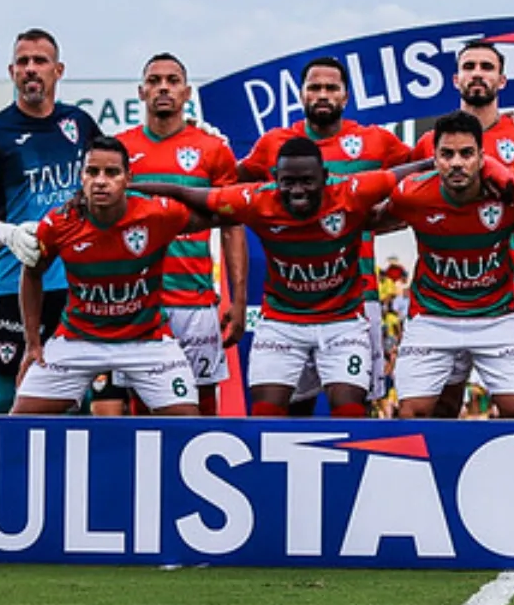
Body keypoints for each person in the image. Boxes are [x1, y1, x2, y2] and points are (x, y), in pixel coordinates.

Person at [152, 137, 415, 416]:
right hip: (282, 323)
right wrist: (131, 191)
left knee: (350, 412)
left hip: (342, 322)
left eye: (307, 181)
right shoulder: (257, 199)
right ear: (275, 177)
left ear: (325, 177)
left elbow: (405, 173)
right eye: (288, 182)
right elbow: (187, 193)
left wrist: (441, 165)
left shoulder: (351, 190)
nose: (298, 190)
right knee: (265, 414)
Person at [241, 56, 414, 414]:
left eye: (331, 88)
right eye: (314, 87)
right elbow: (230, 185)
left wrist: (379, 223)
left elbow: (423, 186)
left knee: (357, 406)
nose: (323, 94)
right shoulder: (273, 144)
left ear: (346, 96)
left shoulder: (376, 142)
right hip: (291, 305)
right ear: (301, 94)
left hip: (358, 299)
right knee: (293, 406)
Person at [412, 39, 514, 418]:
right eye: (470, 66)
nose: (478, 74)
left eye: (487, 67)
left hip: (509, 298)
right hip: (441, 302)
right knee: (442, 405)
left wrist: (511, 232)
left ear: (502, 80)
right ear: (456, 78)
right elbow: (410, 202)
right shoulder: (430, 142)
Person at [9, 136, 204, 416]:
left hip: (146, 339)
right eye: (92, 172)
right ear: (82, 177)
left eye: (112, 173)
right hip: (78, 339)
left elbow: (217, 213)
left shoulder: (156, 214)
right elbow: (31, 273)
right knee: (20, 419)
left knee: (187, 422)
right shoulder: (59, 223)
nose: (100, 181)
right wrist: (32, 344)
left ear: (128, 178)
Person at [0, 28, 103, 413]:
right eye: (22, 61)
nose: (30, 68)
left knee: (81, 398)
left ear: (58, 70)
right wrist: (6, 233)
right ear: (11, 72)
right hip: (13, 281)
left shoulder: (80, 124)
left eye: (40, 61)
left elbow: (113, 180)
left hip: (76, 283)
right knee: (4, 396)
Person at [384, 111, 514, 419]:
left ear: (482, 157)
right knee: (412, 413)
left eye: (467, 154)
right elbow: (371, 217)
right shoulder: (412, 194)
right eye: (447, 154)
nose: (456, 163)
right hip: (432, 316)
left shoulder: (509, 188)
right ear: (434, 158)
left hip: (496, 316)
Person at [116, 52, 248, 416]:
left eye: (172, 81)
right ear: (141, 92)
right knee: (142, 406)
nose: (163, 88)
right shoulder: (120, 150)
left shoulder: (212, 149)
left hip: (195, 302)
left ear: (186, 93)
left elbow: (232, 225)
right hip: (139, 302)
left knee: (200, 405)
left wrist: (238, 301)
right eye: (154, 81)